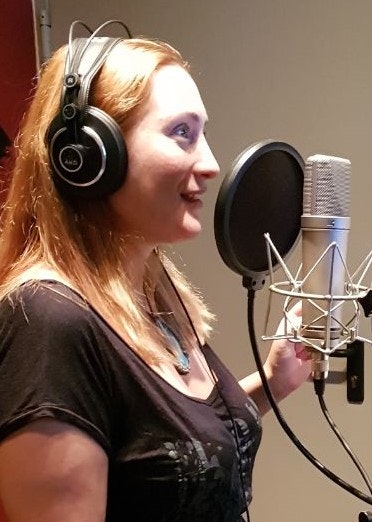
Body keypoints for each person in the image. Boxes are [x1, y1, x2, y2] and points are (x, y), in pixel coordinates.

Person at [0, 22, 311, 522]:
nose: (210, 164)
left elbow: (168, 455)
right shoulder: (48, 322)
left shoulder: (153, 295)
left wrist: (272, 383)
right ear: (92, 156)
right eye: (181, 133)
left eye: (203, 134)